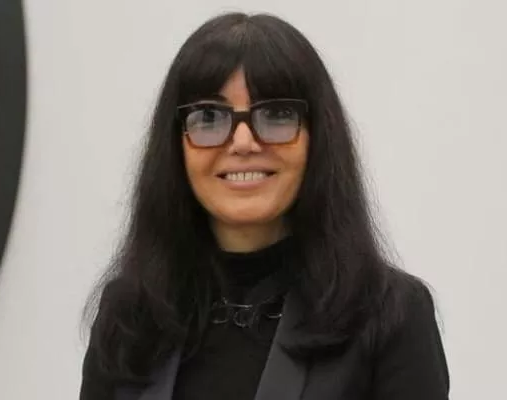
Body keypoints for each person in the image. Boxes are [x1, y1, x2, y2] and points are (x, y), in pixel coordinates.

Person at [79, 12, 450, 400]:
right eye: (209, 116)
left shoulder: (389, 315)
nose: (243, 142)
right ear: (176, 145)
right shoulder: (130, 315)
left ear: (317, 139)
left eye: (276, 115)